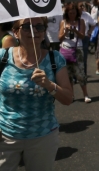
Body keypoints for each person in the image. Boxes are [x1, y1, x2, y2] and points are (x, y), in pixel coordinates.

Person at [0, 17, 72, 170]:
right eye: (27, 26)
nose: (34, 31)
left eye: (39, 26)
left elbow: (68, 98)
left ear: (44, 31)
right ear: (15, 32)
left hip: (43, 137)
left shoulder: (55, 59)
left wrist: (49, 85)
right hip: (5, 137)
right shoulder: (3, 57)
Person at [59, 2, 92, 103]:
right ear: (67, 13)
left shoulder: (80, 21)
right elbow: (59, 38)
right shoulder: (63, 22)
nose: (72, 15)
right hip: (65, 49)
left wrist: (75, 31)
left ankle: (85, 94)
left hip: (77, 49)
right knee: (68, 74)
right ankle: (71, 95)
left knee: (80, 74)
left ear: (76, 13)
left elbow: (82, 36)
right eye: (70, 13)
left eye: (73, 13)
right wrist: (66, 31)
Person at [78, 2, 95, 75]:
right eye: (80, 6)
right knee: (75, 58)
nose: (82, 7)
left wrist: (89, 32)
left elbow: (93, 24)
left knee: (84, 58)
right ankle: (75, 76)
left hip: (84, 38)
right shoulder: (72, 15)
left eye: (83, 6)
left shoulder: (87, 15)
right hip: (75, 39)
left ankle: (84, 75)